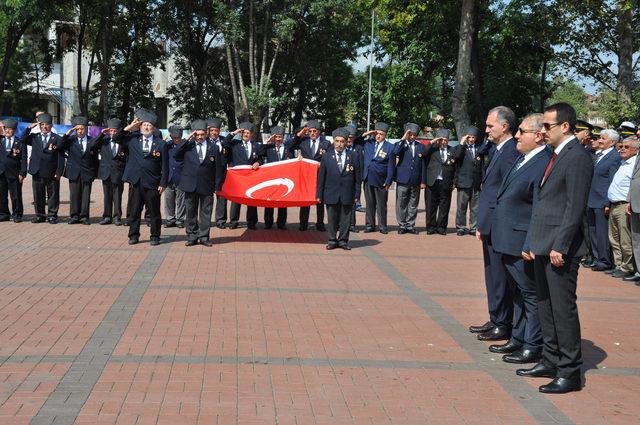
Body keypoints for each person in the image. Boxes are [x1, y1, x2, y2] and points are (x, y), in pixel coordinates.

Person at [517, 102, 593, 394]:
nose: (543, 131)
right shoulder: (556, 155)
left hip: (561, 249)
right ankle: (550, 359)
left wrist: (560, 245)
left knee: (562, 310)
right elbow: (545, 203)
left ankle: (570, 371)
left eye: (547, 126)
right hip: (543, 244)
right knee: (546, 306)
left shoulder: (577, 158)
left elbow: (574, 208)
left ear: (565, 126)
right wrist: (534, 243)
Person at [488, 113, 550, 365]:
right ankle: (518, 336)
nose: (516, 135)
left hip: (521, 241)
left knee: (530, 295)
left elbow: (538, 207)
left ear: (538, 136)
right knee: (518, 294)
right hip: (508, 239)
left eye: (522, 131)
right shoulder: (525, 158)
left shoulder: (543, 161)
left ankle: (532, 345)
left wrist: (530, 243)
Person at [469, 106, 520, 341]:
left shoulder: (510, 151)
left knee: (499, 275)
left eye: (490, 126)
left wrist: (491, 223)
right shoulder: (497, 148)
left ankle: (502, 322)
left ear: (504, 126)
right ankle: (495, 317)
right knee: (492, 274)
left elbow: (506, 193)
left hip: (498, 224)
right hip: (489, 223)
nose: (486, 130)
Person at [112, 109, 168, 245]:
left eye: (149, 125)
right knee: (134, 211)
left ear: (153, 128)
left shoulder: (161, 144)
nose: (147, 127)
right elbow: (116, 138)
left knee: (154, 212)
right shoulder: (132, 139)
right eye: (144, 125)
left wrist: (163, 183)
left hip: (153, 183)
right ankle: (133, 235)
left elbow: (165, 166)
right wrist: (129, 127)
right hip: (136, 182)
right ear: (140, 127)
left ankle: (155, 236)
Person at [173, 120, 222, 247]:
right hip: (190, 184)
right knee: (190, 211)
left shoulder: (214, 148)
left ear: (206, 134)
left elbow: (218, 168)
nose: (200, 137)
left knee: (206, 212)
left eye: (202, 134)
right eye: (197, 134)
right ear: (193, 134)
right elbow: (176, 154)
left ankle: (204, 236)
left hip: (207, 185)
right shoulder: (188, 146)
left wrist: (217, 186)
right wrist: (186, 139)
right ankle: (191, 236)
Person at [316, 127, 361, 250]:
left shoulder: (353, 156)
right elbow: (321, 178)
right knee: (332, 218)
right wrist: (319, 194)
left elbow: (358, 177)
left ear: (346, 142)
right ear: (333, 141)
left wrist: (357, 194)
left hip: (348, 193)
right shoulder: (326, 157)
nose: (339, 144)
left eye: (342, 141)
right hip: (331, 192)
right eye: (337, 141)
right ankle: (332, 240)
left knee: (346, 219)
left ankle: (343, 241)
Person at [586, 129, 621, 271]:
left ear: (612, 142)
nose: (599, 140)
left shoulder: (614, 157)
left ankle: (604, 260)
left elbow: (613, 181)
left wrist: (608, 202)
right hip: (591, 199)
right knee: (593, 231)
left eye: (603, 138)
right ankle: (596, 258)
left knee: (602, 233)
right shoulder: (599, 155)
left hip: (602, 200)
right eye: (600, 138)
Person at [22, 113, 64, 224]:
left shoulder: (57, 138)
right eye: (42, 125)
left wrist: (59, 172)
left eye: (47, 125)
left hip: (52, 172)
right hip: (37, 170)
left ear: (51, 125)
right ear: (39, 126)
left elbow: (61, 157)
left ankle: (52, 215)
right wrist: (28, 128)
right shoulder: (35, 137)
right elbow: (23, 139)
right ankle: (40, 215)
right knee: (38, 194)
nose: (44, 127)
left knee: (53, 195)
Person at [605, 137, 638, 279]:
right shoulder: (622, 163)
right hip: (613, 205)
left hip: (624, 205)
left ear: (635, 150)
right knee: (614, 238)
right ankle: (618, 264)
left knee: (625, 239)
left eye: (626, 147)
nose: (622, 149)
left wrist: (629, 203)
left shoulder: (634, 164)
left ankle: (627, 266)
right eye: (621, 146)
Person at [58, 116, 100, 225]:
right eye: (77, 129)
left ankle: (84, 217)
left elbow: (95, 158)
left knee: (86, 195)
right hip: (74, 171)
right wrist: (68, 134)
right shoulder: (70, 140)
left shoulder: (91, 140)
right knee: (74, 195)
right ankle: (74, 216)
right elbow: (59, 147)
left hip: (87, 172)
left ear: (86, 128)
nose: (80, 131)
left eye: (82, 128)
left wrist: (95, 173)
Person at [289, 120, 330, 231]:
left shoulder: (325, 143)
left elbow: (330, 158)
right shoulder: (303, 142)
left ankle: (320, 223)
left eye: (314, 131)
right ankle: (303, 223)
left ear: (319, 132)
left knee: (319, 200)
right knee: (305, 199)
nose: (312, 133)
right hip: (306, 176)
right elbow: (290, 146)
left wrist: (323, 164)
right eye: (310, 131)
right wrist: (301, 133)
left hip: (319, 175)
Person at [221, 121, 262, 229]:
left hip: (251, 177)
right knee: (236, 200)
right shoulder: (235, 144)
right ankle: (233, 222)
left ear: (251, 134)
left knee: (251, 199)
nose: (246, 135)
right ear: (241, 134)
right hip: (238, 178)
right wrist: (234, 133)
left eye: (248, 133)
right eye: (244, 133)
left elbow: (260, 158)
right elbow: (224, 143)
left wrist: (258, 162)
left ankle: (252, 222)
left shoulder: (256, 146)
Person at [361, 122, 395, 234]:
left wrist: (389, 180)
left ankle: (382, 226)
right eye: (377, 133)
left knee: (381, 204)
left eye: (381, 134)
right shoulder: (368, 143)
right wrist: (367, 133)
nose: (378, 136)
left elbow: (391, 165)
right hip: (368, 178)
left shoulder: (390, 147)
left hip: (381, 180)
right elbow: (356, 141)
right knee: (369, 204)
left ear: (385, 135)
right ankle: (370, 225)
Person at [393, 122, 426, 234]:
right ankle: (402, 225)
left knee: (413, 204)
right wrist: (403, 139)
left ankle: (410, 225)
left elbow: (423, 165)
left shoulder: (420, 146)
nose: (412, 137)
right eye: (410, 134)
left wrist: (423, 181)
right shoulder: (400, 144)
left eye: (414, 135)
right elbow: (395, 152)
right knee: (401, 203)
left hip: (415, 180)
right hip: (402, 179)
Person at [452, 125, 485, 236]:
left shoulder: (480, 149)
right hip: (463, 182)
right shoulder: (460, 148)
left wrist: (482, 181)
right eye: (469, 137)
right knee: (461, 207)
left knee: (475, 208)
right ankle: (461, 227)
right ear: (466, 137)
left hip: (476, 183)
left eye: (473, 137)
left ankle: (473, 227)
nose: (471, 139)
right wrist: (462, 143)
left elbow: (482, 166)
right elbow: (456, 157)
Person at [95, 118, 127, 225]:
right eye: (111, 131)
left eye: (115, 131)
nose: (112, 133)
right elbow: (93, 145)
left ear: (118, 131)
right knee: (107, 196)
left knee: (117, 196)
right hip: (106, 173)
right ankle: (107, 216)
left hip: (118, 173)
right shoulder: (104, 141)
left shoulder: (123, 142)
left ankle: (117, 217)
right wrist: (101, 134)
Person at [261, 125, 293, 229]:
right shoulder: (269, 148)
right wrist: (267, 141)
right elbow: (260, 151)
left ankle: (281, 223)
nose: (278, 139)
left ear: (283, 137)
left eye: (280, 137)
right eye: (276, 137)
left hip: (284, 179)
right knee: (269, 201)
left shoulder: (288, 148)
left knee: (283, 202)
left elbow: (292, 161)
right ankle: (268, 223)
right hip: (271, 179)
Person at [0, 119, 27, 222]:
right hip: (1, 172)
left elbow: (23, 159)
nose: (7, 131)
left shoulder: (20, 142)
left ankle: (17, 214)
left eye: (10, 129)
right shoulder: (1, 140)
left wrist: (22, 173)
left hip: (14, 173)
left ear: (14, 130)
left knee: (15, 195)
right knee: (2, 195)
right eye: (6, 129)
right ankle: (3, 214)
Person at [206, 118, 229, 229]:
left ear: (219, 131)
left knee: (222, 199)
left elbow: (231, 156)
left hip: (222, 174)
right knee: (207, 199)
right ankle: (206, 220)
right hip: (208, 175)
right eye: (212, 131)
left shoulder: (225, 141)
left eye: (216, 130)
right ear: (209, 131)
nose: (214, 133)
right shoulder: (204, 141)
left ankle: (220, 220)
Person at [625, 137, 640, 284]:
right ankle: (639, 270)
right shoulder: (638, 154)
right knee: (636, 239)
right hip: (635, 202)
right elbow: (634, 179)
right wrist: (629, 199)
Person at [164, 125, 186, 229]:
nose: (176, 140)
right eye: (174, 138)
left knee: (181, 200)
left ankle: (180, 219)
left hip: (181, 177)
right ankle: (170, 219)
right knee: (168, 199)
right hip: (169, 177)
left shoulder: (185, 146)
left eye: (178, 138)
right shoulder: (167, 145)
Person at [345, 124, 363, 232]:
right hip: (341, 180)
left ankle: (352, 225)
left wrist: (359, 180)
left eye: (352, 137)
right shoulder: (339, 147)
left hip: (353, 180)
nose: (349, 139)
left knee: (352, 204)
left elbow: (360, 165)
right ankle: (340, 224)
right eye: (348, 137)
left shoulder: (358, 148)